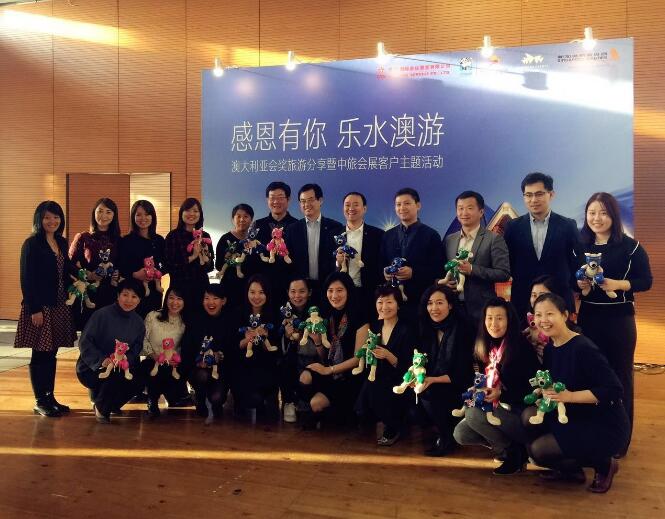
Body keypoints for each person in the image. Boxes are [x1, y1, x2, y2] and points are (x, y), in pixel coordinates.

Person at [524, 293, 629, 493]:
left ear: (565, 315)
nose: (543, 320)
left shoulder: (583, 348)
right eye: (538, 315)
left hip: (603, 421)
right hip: (575, 412)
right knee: (528, 418)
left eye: (549, 314)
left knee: (540, 450)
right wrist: (543, 391)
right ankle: (572, 471)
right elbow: (554, 381)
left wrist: (570, 396)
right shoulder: (551, 348)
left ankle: (604, 464)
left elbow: (614, 390)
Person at [577, 192, 652, 453]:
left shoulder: (630, 246)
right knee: (590, 375)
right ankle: (594, 432)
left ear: (613, 216)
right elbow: (573, 278)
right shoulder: (580, 245)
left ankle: (620, 439)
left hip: (619, 320)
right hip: (588, 318)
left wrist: (618, 284)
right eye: (592, 213)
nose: (596, 218)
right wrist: (580, 285)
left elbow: (646, 281)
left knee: (620, 377)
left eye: (603, 213)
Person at [453, 297, 540, 474]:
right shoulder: (484, 344)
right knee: (461, 434)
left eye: (499, 318)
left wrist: (501, 394)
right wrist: (477, 389)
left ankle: (513, 452)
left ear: (509, 320)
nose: (494, 324)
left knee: (473, 414)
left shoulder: (520, 348)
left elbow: (532, 391)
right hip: (494, 405)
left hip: (519, 411)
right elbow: (481, 376)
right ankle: (511, 447)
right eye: (489, 318)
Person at [15, 201, 77, 417]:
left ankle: (50, 397)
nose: (52, 221)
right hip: (40, 306)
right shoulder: (31, 244)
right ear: (39, 219)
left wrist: (83, 275)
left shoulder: (61, 241)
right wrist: (34, 309)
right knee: (40, 353)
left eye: (56, 217)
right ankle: (40, 400)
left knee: (52, 352)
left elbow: (66, 269)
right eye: (47, 217)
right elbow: (26, 278)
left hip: (59, 304)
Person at [503, 172, 583, 320]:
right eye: (528, 195)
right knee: (523, 335)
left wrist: (572, 285)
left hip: (559, 298)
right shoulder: (512, 227)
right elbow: (508, 261)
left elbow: (579, 260)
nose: (533, 200)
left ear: (551, 194)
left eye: (539, 194)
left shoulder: (567, 225)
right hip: (523, 299)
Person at [298, 272, 369, 428]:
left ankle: (348, 414)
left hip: (350, 376)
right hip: (331, 372)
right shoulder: (326, 315)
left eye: (339, 290)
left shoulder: (359, 316)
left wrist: (328, 370)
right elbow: (325, 356)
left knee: (317, 404)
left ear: (348, 291)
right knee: (305, 376)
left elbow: (358, 358)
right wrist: (318, 342)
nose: (334, 295)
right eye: (330, 290)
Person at [76, 279, 146, 423]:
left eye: (134, 296)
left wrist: (126, 360)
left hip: (120, 366)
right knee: (115, 375)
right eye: (125, 295)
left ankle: (107, 403)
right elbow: (85, 342)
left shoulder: (139, 323)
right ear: (118, 295)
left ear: (139, 300)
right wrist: (102, 360)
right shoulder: (101, 315)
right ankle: (102, 408)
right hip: (92, 367)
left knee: (139, 378)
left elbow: (136, 348)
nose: (129, 300)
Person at [416, 285, 474, 456]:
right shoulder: (426, 327)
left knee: (431, 392)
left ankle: (446, 437)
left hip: (460, 382)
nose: (434, 308)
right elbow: (420, 359)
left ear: (450, 305)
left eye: (439, 303)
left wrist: (432, 380)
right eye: (430, 303)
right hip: (435, 379)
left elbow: (463, 372)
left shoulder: (463, 328)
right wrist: (418, 374)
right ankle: (442, 431)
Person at [354, 286, 413, 446]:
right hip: (377, 374)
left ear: (398, 305)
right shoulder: (375, 326)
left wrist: (388, 355)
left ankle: (394, 426)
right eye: (380, 302)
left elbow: (408, 366)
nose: (384, 306)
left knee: (376, 386)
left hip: (400, 378)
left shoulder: (406, 329)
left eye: (389, 302)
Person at [442, 191, 510, 325]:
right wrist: (444, 282)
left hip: (482, 309)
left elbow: (504, 273)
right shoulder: (450, 240)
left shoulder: (494, 239)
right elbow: (442, 268)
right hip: (453, 308)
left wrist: (472, 269)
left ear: (481, 212)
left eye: (470, 208)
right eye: (460, 208)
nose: (464, 212)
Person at [380, 188, 443, 319]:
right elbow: (380, 263)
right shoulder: (387, 235)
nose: (402, 208)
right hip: (392, 302)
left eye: (407, 203)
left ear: (418, 205)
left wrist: (414, 273)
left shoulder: (431, 235)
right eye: (398, 204)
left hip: (421, 301)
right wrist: (385, 272)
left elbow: (438, 269)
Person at [230, 274, 281, 421]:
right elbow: (233, 346)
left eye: (261, 292)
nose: (256, 297)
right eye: (252, 292)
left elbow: (275, 350)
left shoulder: (274, 315)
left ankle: (267, 397)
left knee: (267, 412)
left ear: (267, 294)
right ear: (246, 293)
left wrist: (264, 337)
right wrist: (247, 340)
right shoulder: (238, 313)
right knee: (251, 400)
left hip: (266, 366)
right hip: (242, 366)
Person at [69, 197, 122, 329]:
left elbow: (123, 265)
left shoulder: (119, 240)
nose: (103, 216)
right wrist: (88, 274)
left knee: (108, 331)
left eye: (108, 212)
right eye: (100, 211)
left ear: (114, 215)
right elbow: (69, 265)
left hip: (111, 293)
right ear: (94, 212)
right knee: (87, 331)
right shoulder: (83, 238)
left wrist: (118, 274)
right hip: (88, 292)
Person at [180, 283, 231, 422]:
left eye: (215, 298)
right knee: (202, 376)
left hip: (220, 369)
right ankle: (200, 398)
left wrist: (220, 356)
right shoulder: (195, 320)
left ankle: (216, 401)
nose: (210, 302)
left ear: (223, 301)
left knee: (217, 398)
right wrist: (198, 361)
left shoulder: (229, 320)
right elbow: (186, 348)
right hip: (198, 368)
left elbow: (232, 349)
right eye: (207, 298)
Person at [285, 184, 344, 302]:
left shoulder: (335, 227)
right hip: (301, 291)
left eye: (311, 200)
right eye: (303, 201)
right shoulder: (292, 229)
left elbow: (338, 259)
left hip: (328, 287)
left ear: (320, 200)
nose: (306, 204)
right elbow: (289, 261)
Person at [335, 192, 385, 318]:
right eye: (347, 205)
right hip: (340, 294)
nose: (351, 208)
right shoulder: (334, 234)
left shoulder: (378, 235)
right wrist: (337, 263)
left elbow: (381, 264)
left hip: (368, 293)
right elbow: (325, 264)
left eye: (356, 204)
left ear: (364, 208)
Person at [140, 286, 187, 418]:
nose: (174, 302)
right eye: (171, 298)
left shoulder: (185, 323)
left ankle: (172, 395)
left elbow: (184, 346)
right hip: (152, 360)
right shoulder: (153, 316)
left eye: (179, 299)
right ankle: (152, 401)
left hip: (173, 363)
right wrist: (154, 356)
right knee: (152, 370)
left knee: (175, 397)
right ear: (166, 299)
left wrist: (176, 359)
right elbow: (143, 338)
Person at [118, 200, 166, 319]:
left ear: (152, 216)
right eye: (138, 214)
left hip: (154, 292)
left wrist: (156, 272)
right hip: (132, 293)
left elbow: (166, 264)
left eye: (147, 214)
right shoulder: (126, 241)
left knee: (151, 324)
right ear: (133, 217)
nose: (143, 218)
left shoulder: (159, 240)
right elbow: (121, 267)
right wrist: (135, 274)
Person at [165, 198, 214, 314]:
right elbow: (169, 265)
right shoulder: (173, 236)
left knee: (199, 319)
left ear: (200, 214)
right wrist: (193, 256)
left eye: (195, 211)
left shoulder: (205, 236)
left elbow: (210, 267)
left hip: (201, 287)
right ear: (181, 213)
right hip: (179, 290)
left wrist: (206, 256)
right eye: (187, 210)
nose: (191, 214)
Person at [253, 181, 299, 302]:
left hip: (290, 287)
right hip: (262, 287)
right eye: (272, 198)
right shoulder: (257, 225)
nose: (276, 201)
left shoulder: (298, 225)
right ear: (267, 200)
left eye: (280, 198)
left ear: (288, 200)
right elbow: (252, 256)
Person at [278, 276, 313, 423]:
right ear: (288, 293)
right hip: (291, 355)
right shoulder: (283, 311)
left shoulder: (315, 312)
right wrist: (286, 336)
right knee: (285, 363)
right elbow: (278, 339)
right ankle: (289, 401)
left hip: (311, 355)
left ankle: (305, 401)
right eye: (293, 291)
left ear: (309, 292)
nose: (297, 296)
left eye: (302, 291)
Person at [214, 203, 261, 308]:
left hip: (251, 290)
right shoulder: (225, 239)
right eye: (238, 216)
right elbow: (218, 265)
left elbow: (259, 265)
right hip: (229, 288)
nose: (242, 219)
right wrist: (229, 257)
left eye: (246, 216)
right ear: (232, 219)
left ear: (251, 220)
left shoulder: (255, 241)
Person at [524, 275, 564, 361]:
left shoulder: (566, 328)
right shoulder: (524, 324)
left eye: (542, 295)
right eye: (534, 295)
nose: (536, 299)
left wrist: (550, 353)